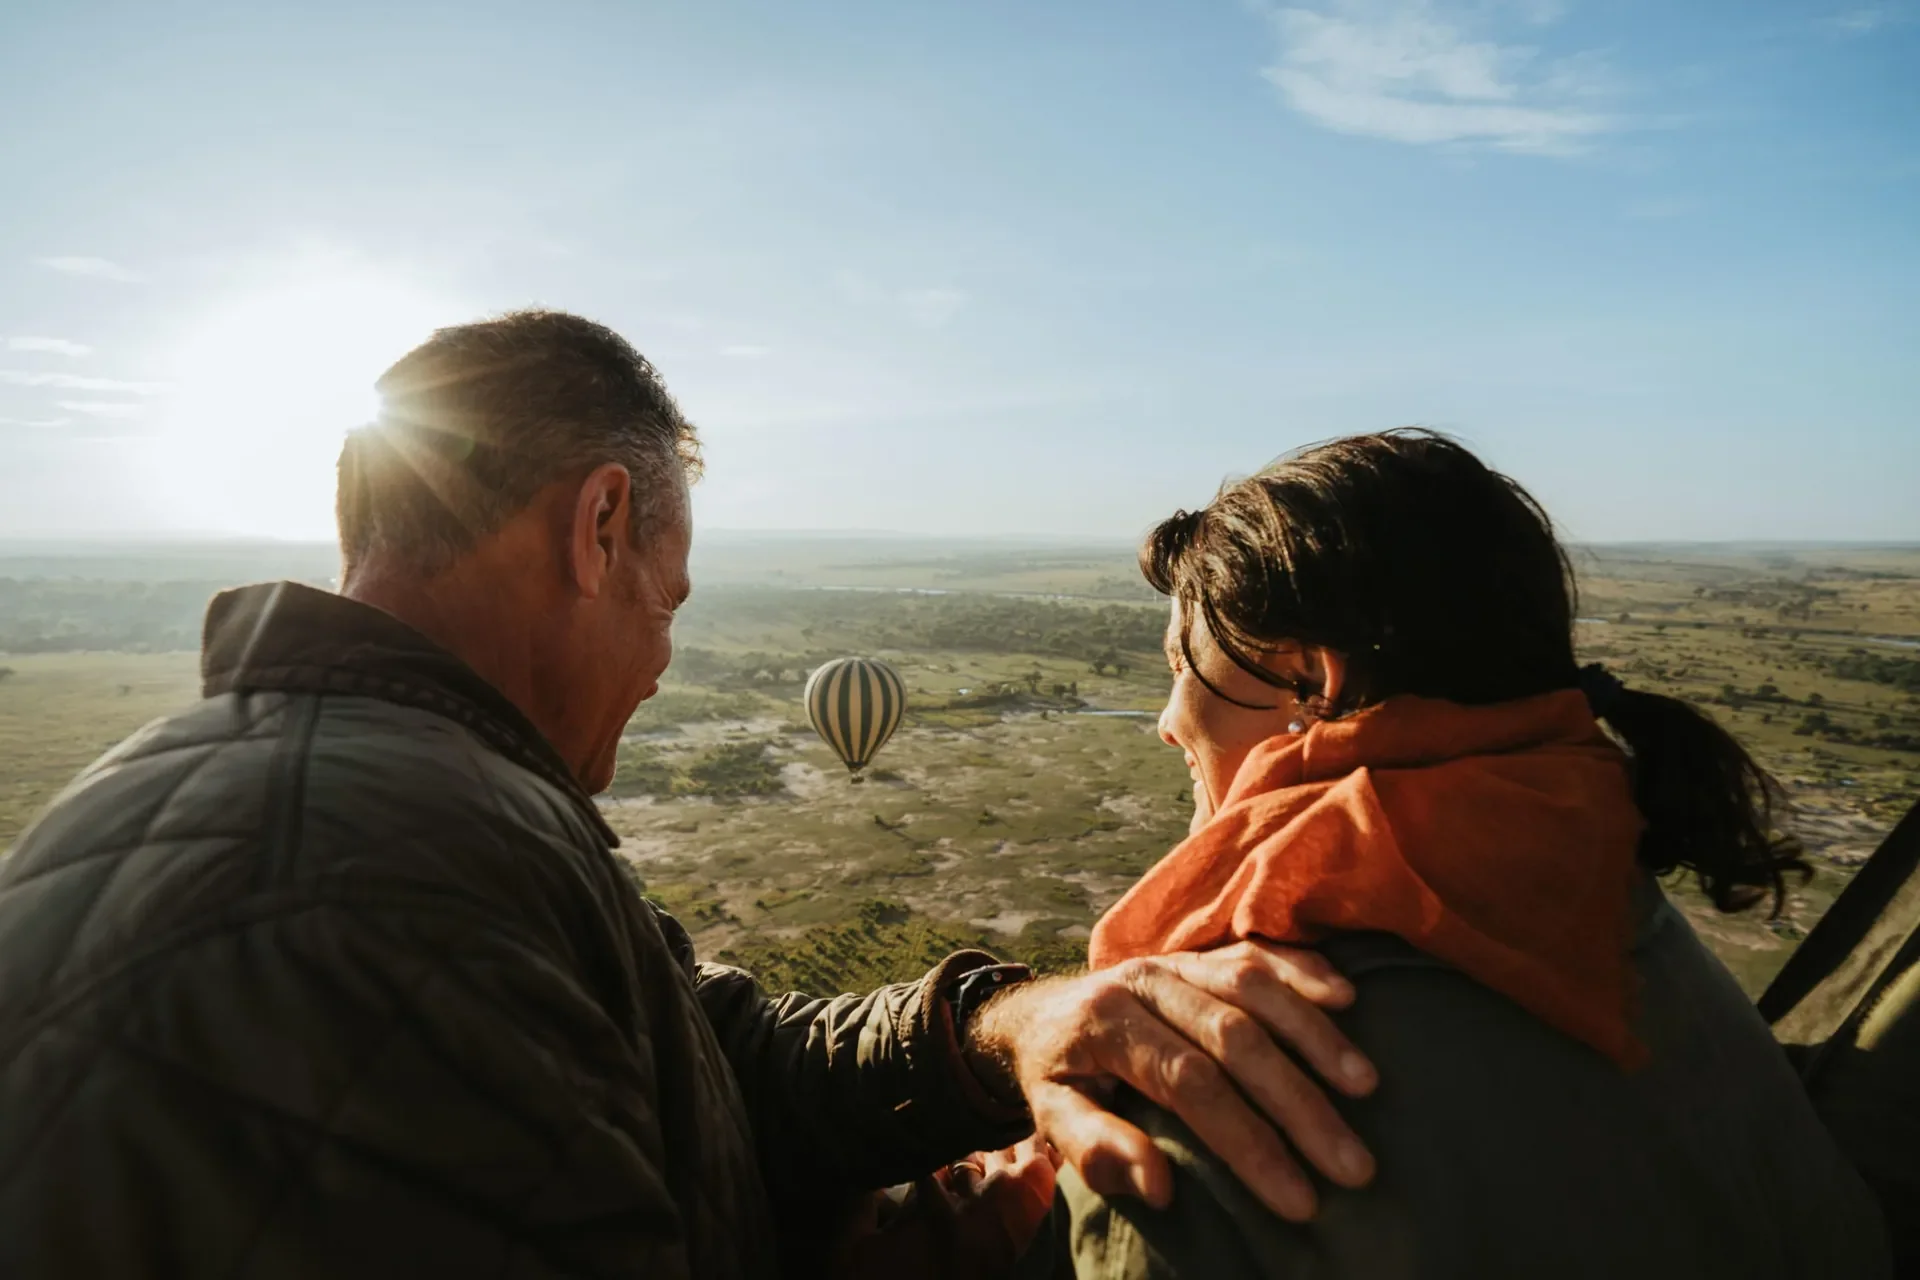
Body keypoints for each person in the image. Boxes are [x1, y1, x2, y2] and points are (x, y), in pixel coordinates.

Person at [0, 310, 1378, 1280]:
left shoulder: (342, 800)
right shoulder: (379, 875)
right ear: (599, 526)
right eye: (668, 603)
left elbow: (706, 1060)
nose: (662, 663)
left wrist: (1000, 1029)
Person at [1049, 430, 1892, 1278]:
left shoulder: (1227, 1080)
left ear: (1312, 675)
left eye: (1176, 666)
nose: (1166, 719)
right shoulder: (1622, 919)